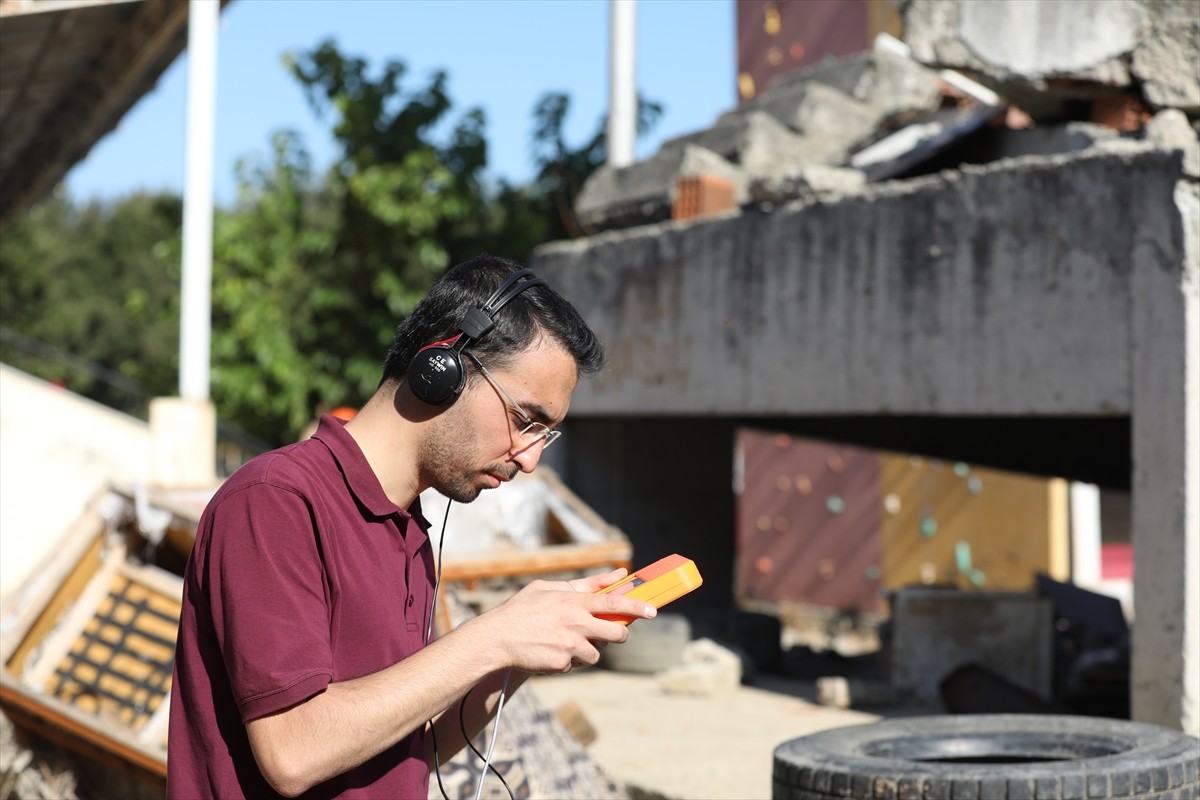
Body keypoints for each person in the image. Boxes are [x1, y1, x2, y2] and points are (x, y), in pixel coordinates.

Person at [166, 254, 656, 799]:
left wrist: (519, 660)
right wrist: (495, 637)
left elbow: (403, 754)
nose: (530, 459)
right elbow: (294, 750)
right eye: (525, 420)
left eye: (547, 435)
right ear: (441, 368)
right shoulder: (277, 501)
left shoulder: (411, 530)